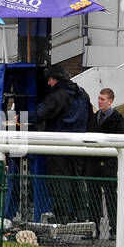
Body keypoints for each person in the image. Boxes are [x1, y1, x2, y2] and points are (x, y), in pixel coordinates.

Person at [34, 65, 94, 222]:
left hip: (59, 144)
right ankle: (82, 215)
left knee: (60, 180)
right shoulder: (82, 94)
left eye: (50, 79)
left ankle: (61, 216)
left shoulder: (57, 96)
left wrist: (21, 117)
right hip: (79, 143)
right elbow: (90, 118)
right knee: (77, 179)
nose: (48, 83)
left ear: (55, 79)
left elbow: (39, 115)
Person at [86, 87, 124, 239]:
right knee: (93, 198)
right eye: (99, 98)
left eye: (103, 99)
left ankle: (115, 230)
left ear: (111, 101)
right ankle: (93, 228)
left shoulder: (118, 119)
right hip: (94, 165)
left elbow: (121, 141)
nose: (99, 102)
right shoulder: (95, 117)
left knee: (111, 198)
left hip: (109, 165)